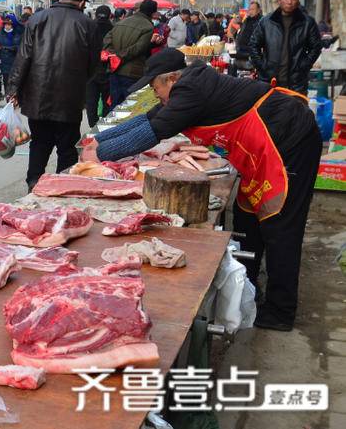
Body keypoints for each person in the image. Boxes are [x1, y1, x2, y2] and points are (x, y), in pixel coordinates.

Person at [85, 48, 321, 332]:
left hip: (288, 138)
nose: (154, 93)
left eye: (154, 86)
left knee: (279, 223)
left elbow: (155, 130)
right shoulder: (187, 86)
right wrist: (96, 141)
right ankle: (249, 289)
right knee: (247, 216)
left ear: (171, 78)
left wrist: (100, 156)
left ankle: (280, 311)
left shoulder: (189, 91)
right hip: (261, 148)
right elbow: (148, 118)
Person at [6, 0, 101, 190]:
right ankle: (63, 187)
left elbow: (23, 58)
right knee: (66, 148)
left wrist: (13, 89)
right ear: (82, 2)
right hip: (69, 99)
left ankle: (34, 183)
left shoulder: (36, 19)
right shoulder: (88, 25)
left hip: (37, 97)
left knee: (39, 143)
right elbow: (94, 66)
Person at [249, 0, 323, 95]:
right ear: (280, 0)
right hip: (269, 81)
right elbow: (253, 44)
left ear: (298, 1)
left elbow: (316, 47)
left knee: (295, 111)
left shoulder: (307, 23)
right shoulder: (267, 21)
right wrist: (262, 66)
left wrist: (304, 66)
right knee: (269, 111)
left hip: (296, 83)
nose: (289, 2)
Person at [103, 0, 157, 107]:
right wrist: (119, 56)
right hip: (132, 72)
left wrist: (114, 55)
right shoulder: (148, 26)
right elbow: (139, 48)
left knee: (115, 105)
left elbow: (107, 40)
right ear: (153, 12)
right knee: (129, 107)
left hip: (115, 70)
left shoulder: (122, 21)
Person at [85, 5, 114, 127]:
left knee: (91, 101)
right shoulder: (114, 28)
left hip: (90, 70)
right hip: (108, 70)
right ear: (110, 15)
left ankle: (93, 125)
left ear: (96, 14)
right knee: (107, 100)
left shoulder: (88, 26)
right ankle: (104, 126)